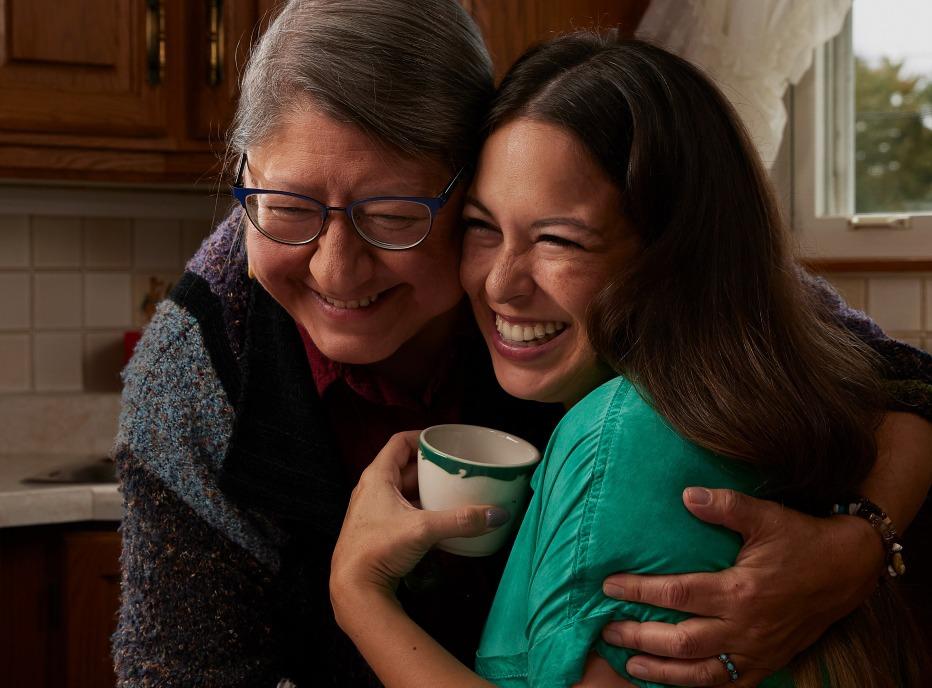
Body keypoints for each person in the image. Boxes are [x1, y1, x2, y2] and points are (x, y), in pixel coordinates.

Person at [111, 2, 932, 686]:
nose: (335, 267)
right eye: (286, 207)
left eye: (393, 214)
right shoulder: (202, 355)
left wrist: (858, 544)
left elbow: (901, 386)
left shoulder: (630, 341)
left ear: (472, 173)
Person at [329, 34, 932, 687]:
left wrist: (359, 597)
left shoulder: (621, 443)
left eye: (559, 239)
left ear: (672, 257)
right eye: (482, 226)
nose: (500, 283)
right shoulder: (724, 388)